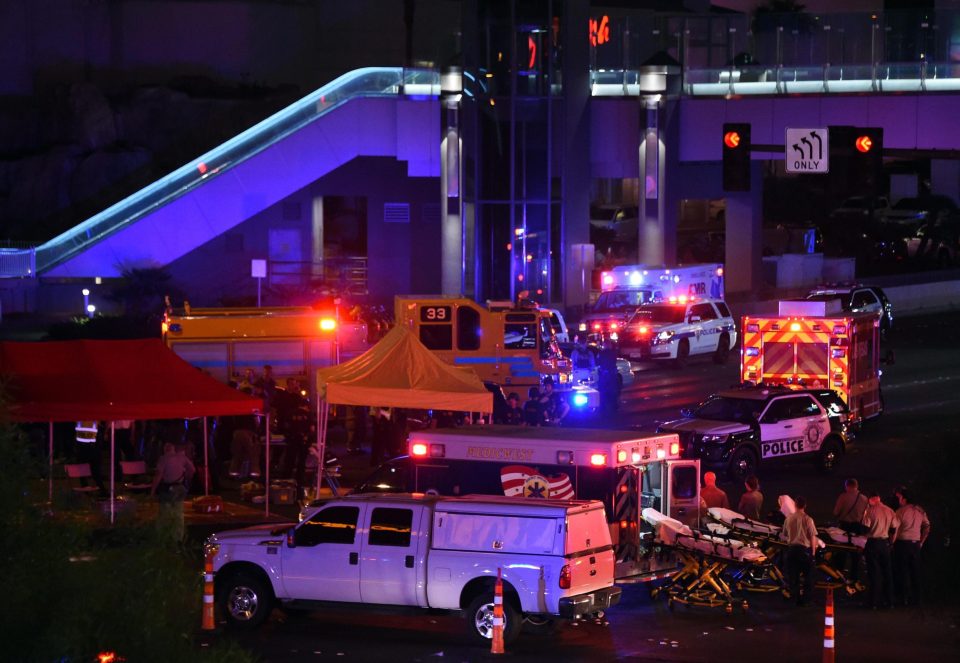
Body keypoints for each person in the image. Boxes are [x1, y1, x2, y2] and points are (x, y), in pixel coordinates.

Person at [150, 441, 196, 542]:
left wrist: (153, 490)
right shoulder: (182, 458)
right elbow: (192, 470)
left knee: (164, 513)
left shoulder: (163, 459)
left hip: (167, 488)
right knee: (179, 513)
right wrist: (187, 477)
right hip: (179, 487)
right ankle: (178, 537)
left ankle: (163, 536)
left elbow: (158, 476)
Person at [892, 486, 930, 607]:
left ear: (904, 498)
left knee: (902, 571)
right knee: (916, 572)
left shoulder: (901, 511)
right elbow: (927, 526)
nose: (898, 499)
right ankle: (918, 599)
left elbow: (896, 529)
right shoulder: (920, 510)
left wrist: (891, 543)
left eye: (899, 497)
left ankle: (903, 598)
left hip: (902, 544)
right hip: (916, 544)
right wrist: (922, 541)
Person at [861, 490, 900, 609]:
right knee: (887, 573)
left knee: (873, 573)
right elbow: (894, 528)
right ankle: (890, 602)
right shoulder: (889, 511)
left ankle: (873, 602)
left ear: (872, 499)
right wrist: (891, 542)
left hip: (873, 543)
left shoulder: (870, 510)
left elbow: (865, 529)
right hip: (885, 543)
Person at [782, 495, 818, 606]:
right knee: (809, 576)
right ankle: (807, 600)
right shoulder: (808, 519)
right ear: (805, 506)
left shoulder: (788, 518)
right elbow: (812, 537)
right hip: (804, 551)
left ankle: (795, 599)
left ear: (795, 505)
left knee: (793, 577)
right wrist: (812, 553)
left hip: (792, 550)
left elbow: (785, 534)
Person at [832, 477, 869, 582]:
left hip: (844, 527)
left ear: (847, 486)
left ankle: (839, 576)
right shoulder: (864, 498)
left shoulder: (843, 497)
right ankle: (854, 578)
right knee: (855, 554)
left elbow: (835, 512)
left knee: (841, 551)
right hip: (857, 528)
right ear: (857, 486)